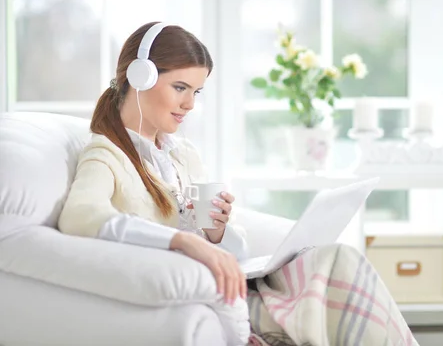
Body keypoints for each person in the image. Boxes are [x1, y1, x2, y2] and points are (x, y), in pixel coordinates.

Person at [58, 22, 419, 346]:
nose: (189, 104)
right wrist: (181, 240)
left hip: (234, 281)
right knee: (337, 285)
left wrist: (215, 233)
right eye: (180, 87)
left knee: (339, 258)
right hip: (207, 292)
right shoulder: (106, 154)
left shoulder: (183, 156)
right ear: (138, 78)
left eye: (196, 92)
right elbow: (80, 217)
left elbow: (234, 251)